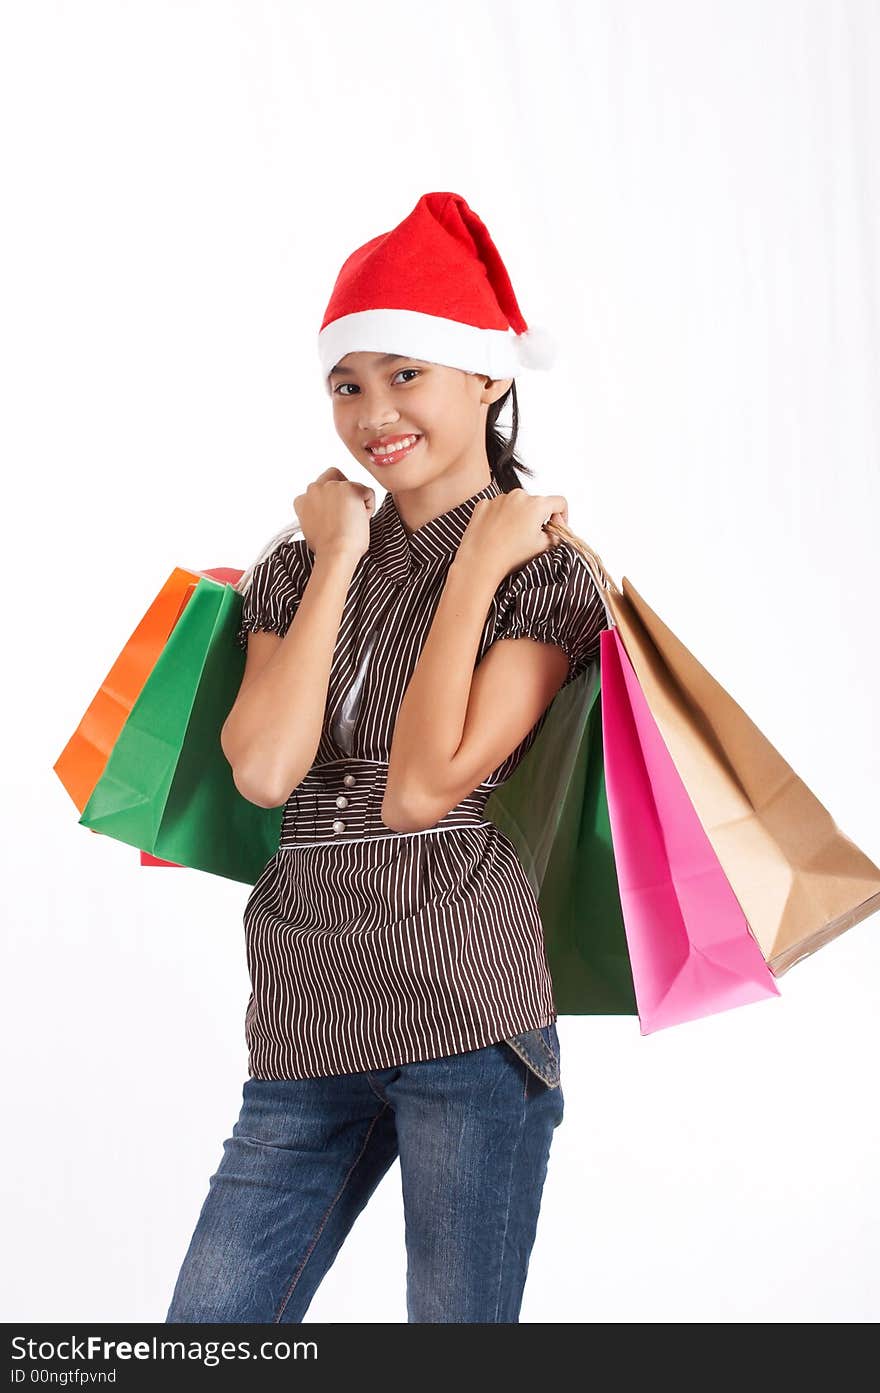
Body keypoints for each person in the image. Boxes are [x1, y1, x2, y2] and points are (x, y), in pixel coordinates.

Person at [165, 191, 609, 1324]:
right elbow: (265, 772)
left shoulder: (544, 570)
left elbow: (421, 790)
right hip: (308, 999)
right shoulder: (309, 553)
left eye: (406, 373)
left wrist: (472, 565)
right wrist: (338, 555)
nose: (374, 412)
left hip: (465, 1002)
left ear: (488, 377)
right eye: (346, 383)